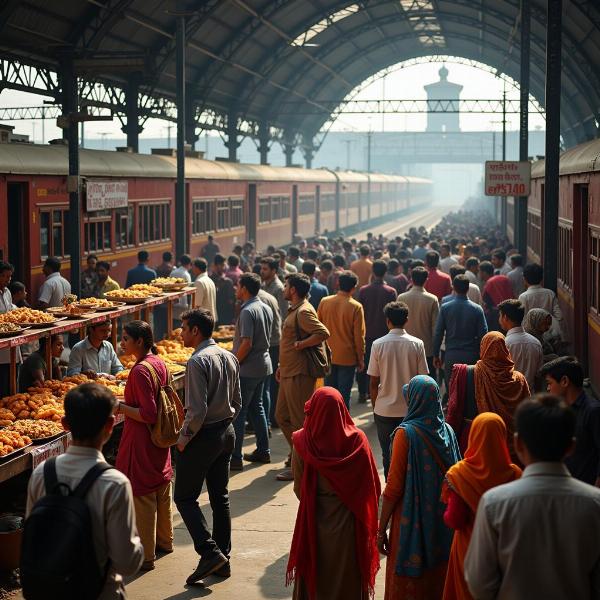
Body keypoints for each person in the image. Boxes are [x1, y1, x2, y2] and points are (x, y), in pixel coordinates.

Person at [464, 395, 600, 600]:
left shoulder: (494, 504)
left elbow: (479, 581)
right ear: (571, 446)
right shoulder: (594, 504)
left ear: (518, 443)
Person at [26, 383, 144, 598]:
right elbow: (127, 563)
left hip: (49, 591)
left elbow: (31, 537)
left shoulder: (41, 473)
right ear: (110, 425)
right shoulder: (115, 484)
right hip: (99, 592)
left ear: (64, 424)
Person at [287, 387, 381, 600]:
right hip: (349, 524)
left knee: (316, 578)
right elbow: (372, 487)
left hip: (314, 521)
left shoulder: (303, 441)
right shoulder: (358, 441)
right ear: (342, 409)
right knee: (346, 578)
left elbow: (299, 488)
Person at [377, 376, 460, 600]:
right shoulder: (448, 431)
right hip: (443, 522)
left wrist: (380, 528)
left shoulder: (406, 434)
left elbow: (393, 488)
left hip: (410, 520)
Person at [175, 308, 241, 583]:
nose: (181, 333)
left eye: (184, 328)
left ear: (196, 331)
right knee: (219, 496)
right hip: (226, 431)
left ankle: (209, 551)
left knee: (184, 497)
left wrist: (183, 439)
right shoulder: (229, 356)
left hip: (204, 435)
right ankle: (222, 557)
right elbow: (237, 401)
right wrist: (225, 422)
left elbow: (197, 412)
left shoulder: (197, 361)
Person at [442, 413, 522, 600]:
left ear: (474, 436)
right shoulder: (515, 473)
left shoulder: (460, 474)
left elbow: (455, 519)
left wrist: (444, 513)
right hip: (504, 551)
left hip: (468, 549)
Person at [116, 321, 173, 572]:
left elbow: (148, 414)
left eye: (126, 338)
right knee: (161, 489)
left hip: (142, 439)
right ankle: (165, 542)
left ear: (140, 341)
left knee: (143, 497)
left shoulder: (139, 371)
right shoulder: (159, 362)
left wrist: (119, 407)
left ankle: (146, 555)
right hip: (160, 439)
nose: (123, 342)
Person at [275, 273, 330, 481]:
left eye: (286, 285)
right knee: (281, 417)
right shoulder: (296, 310)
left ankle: (302, 463)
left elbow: (323, 333)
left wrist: (302, 345)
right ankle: (297, 453)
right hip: (289, 371)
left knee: (298, 422)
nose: (284, 289)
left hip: (299, 373)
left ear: (294, 290)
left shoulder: (304, 311)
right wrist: (282, 364)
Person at [368, 302, 429, 479]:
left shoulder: (377, 345)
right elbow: (424, 379)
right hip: (411, 410)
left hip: (384, 410)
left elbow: (373, 382)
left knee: (388, 454)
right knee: (410, 454)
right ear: (407, 320)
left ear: (387, 321)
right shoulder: (417, 344)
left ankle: (391, 490)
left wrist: (375, 407)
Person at [447, 332, 530, 454]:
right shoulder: (519, 379)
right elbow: (527, 412)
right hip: (511, 450)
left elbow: (454, 410)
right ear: (505, 350)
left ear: (483, 348)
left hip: (476, 441)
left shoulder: (469, 373)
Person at [231, 273, 273, 471]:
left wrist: (234, 363)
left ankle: (236, 457)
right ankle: (263, 450)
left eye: (238, 286)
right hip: (263, 365)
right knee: (258, 408)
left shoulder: (247, 311)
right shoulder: (265, 306)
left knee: (239, 413)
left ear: (245, 289)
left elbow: (246, 343)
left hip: (247, 368)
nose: (236, 289)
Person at [541, 357, 600, 487]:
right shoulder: (561, 410)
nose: (548, 389)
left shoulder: (593, 411)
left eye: (550, 383)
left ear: (564, 381)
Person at [317, 271, 365, 408]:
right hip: (347, 357)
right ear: (354, 287)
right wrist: (360, 358)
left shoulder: (325, 302)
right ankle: (343, 426)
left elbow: (317, 329)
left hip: (328, 355)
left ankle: (329, 424)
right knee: (344, 395)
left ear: (338, 284)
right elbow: (358, 336)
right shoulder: (356, 306)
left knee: (329, 394)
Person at [433, 275, 488, 393]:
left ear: (453, 288)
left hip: (451, 356)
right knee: (470, 391)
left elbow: (438, 333)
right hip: (471, 356)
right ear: (468, 288)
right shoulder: (477, 309)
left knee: (452, 390)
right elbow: (484, 335)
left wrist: (436, 354)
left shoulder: (445, 307)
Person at [357, 260, 397, 404]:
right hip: (385, 334)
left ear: (373, 272)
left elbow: (360, 314)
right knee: (383, 367)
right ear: (385, 272)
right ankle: (382, 394)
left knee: (366, 365)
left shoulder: (363, 290)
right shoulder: (391, 292)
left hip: (367, 334)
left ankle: (363, 392)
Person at [398, 266, 439, 374]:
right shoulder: (432, 299)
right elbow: (435, 328)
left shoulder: (401, 298)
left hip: (405, 347)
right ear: (426, 280)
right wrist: (437, 352)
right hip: (427, 349)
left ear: (411, 279)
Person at [499, 299, 543, 391]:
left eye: (500, 315)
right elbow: (539, 376)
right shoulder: (536, 343)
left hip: (509, 395)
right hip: (530, 395)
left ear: (505, 317)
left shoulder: (504, 344)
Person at [257, 286, 282, 428]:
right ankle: (269, 420)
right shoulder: (268, 295)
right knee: (268, 387)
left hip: (270, 345)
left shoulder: (262, 299)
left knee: (267, 387)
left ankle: (269, 419)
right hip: (272, 344)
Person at [519, 263, 563, 336]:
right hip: (549, 334)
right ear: (541, 278)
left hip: (531, 335)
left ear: (524, 279)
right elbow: (559, 316)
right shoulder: (550, 293)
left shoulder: (523, 296)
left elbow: (522, 319)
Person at [0, 262, 22, 397]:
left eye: (10, 276)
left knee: (12, 385)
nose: (8, 279)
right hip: (1, 348)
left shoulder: (7, 292)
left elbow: (10, 313)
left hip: (12, 343)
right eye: (4, 276)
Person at [479, 260, 514, 331]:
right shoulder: (504, 278)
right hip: (510, 312)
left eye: (480, 272)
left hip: (495, 316)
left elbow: (485, 300)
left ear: (484, 272)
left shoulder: (490, 282)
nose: (479, 274)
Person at [211, 254, 236, 326]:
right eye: (222, 265)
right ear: (215, 266)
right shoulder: (211, 280)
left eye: (224, 265)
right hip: (215, 316)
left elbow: (231, 301)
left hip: (226, 317)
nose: (224, 267)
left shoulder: (228, 281)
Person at [170, 254, 192, 327]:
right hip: (183, 305)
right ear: (189, 264)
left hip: (173, 302)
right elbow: (188, 290)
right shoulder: (186, 274)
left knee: (173, 327)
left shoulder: (173, 272)